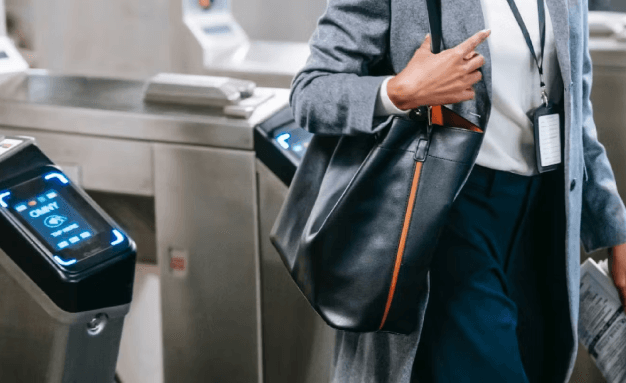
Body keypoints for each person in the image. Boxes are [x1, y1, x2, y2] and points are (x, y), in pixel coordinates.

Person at [289, 0, 626, 382]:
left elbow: (577, 114)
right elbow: (311, 92)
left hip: (542, 222)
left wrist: (616, 231)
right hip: (449, 215)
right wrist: (400, 92)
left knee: (536, 363)